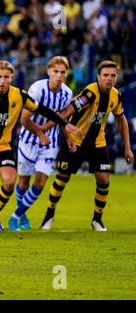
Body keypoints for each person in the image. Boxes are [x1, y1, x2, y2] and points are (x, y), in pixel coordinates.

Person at [0, 60, 80, 232]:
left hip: (3, 147)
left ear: (12, 77)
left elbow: (43, 110)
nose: (3, 80)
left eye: (6, 77)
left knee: (10, 181)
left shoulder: (19, 95)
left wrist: (64, 123)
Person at [40, 60, 134, 231]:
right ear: (98, 77)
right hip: (75, 141)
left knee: (104, 180)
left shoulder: (116, 95)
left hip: (98, 144)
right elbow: (67, 112)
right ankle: (49, 214)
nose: (109, 79)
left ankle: (97, 219)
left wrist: (127, 147)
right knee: (62, 178)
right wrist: (44, 129)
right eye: (105, 75)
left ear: (116, 77)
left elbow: (122, 119)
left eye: (113, 75)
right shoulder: (89, 93)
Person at [8, 56, 73, 231]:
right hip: (28, 140)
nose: (59, 75)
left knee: (41, 183)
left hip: (49, 143)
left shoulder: (67, 94)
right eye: (56, 72)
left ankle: (16, 216)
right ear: (49, 71)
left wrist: (68, 138)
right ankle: (23, 216)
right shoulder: (37, 89)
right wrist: (40, 133)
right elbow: (24, 119)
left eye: (63, 72)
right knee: (23, 182)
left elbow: (61, 119)